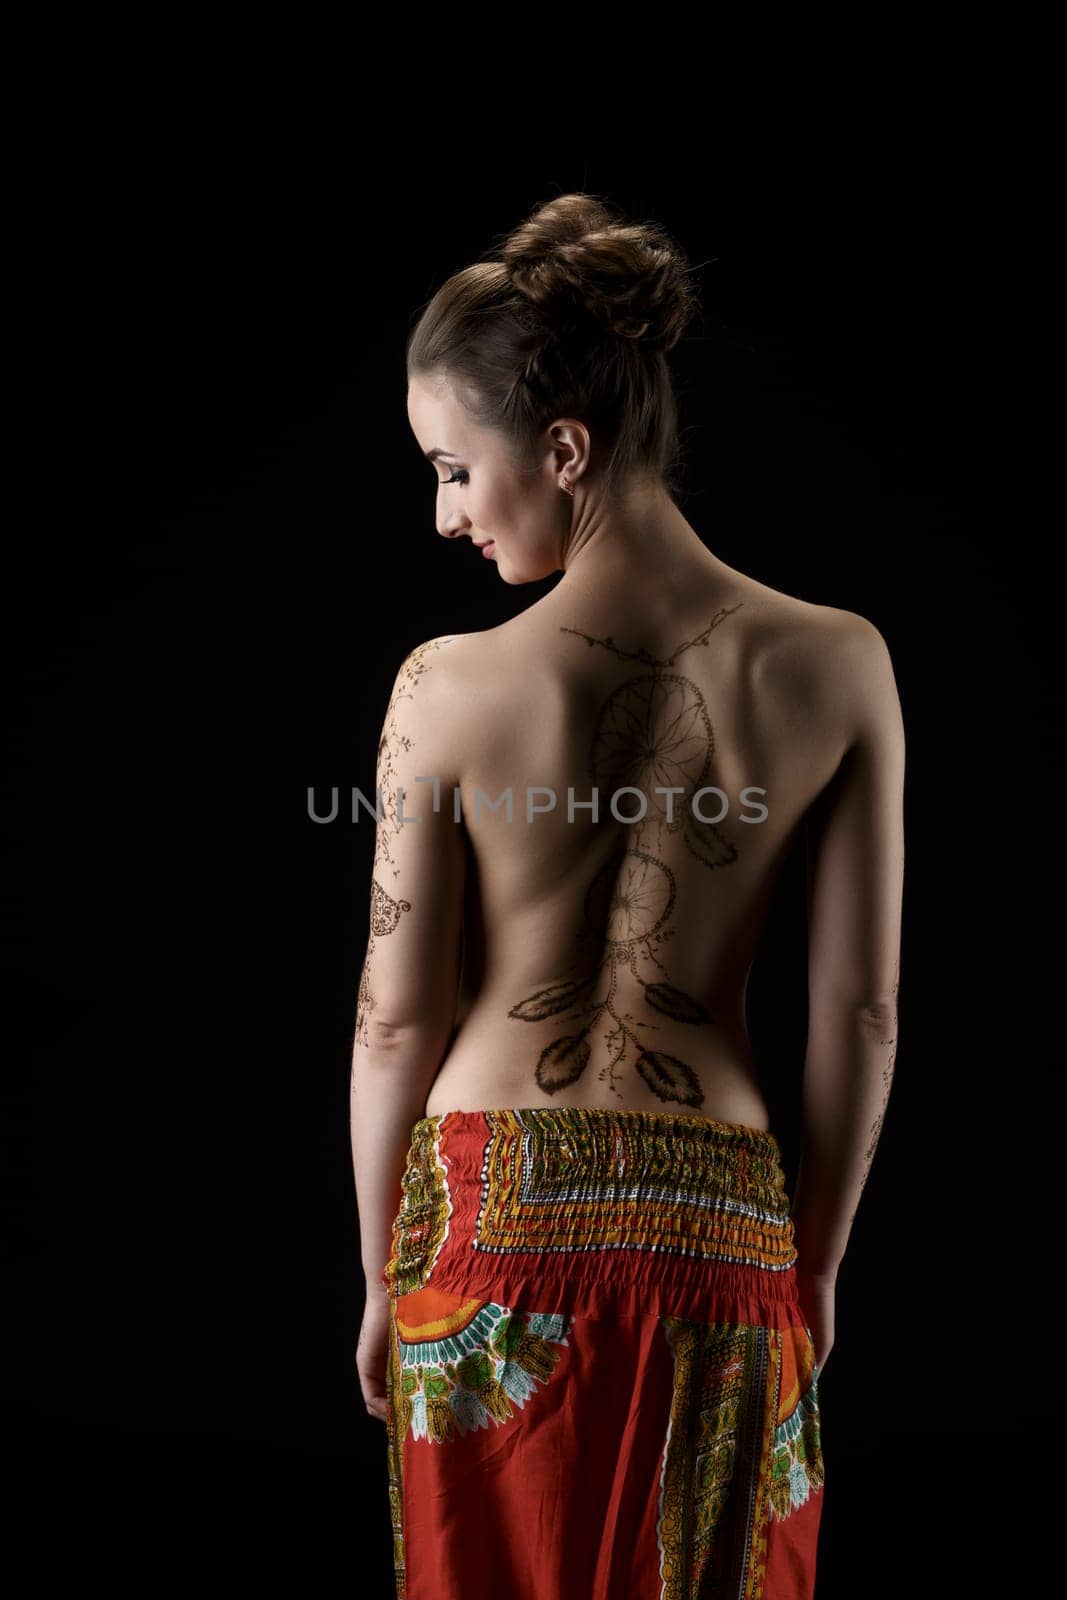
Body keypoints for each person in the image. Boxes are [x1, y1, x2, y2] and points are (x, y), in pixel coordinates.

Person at [351, 192, 904, 1600]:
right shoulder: (840, 667)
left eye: (456, 471)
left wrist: (373, 1272)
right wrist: (818, 1261)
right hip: (717, 1224)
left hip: (488, 1221)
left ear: (565, 447)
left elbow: (396, 1025)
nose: (444, 515)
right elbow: (858, 1014)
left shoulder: (445, 688)